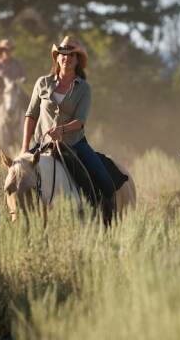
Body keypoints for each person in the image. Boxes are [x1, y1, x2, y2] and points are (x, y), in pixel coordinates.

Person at [20, 35, 116, 224]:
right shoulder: (42, 83)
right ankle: (16, 218)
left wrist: (61, 130)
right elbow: (31, 115)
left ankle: (105, 223)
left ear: (78, 60)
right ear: (57, 57)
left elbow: (80, 121)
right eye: (63, 53)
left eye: (72, 54)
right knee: (17, 177)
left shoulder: (84, 88)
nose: (67, 57)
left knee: (105, 182)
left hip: (74, 144)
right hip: (44, 145)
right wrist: (24, 148)